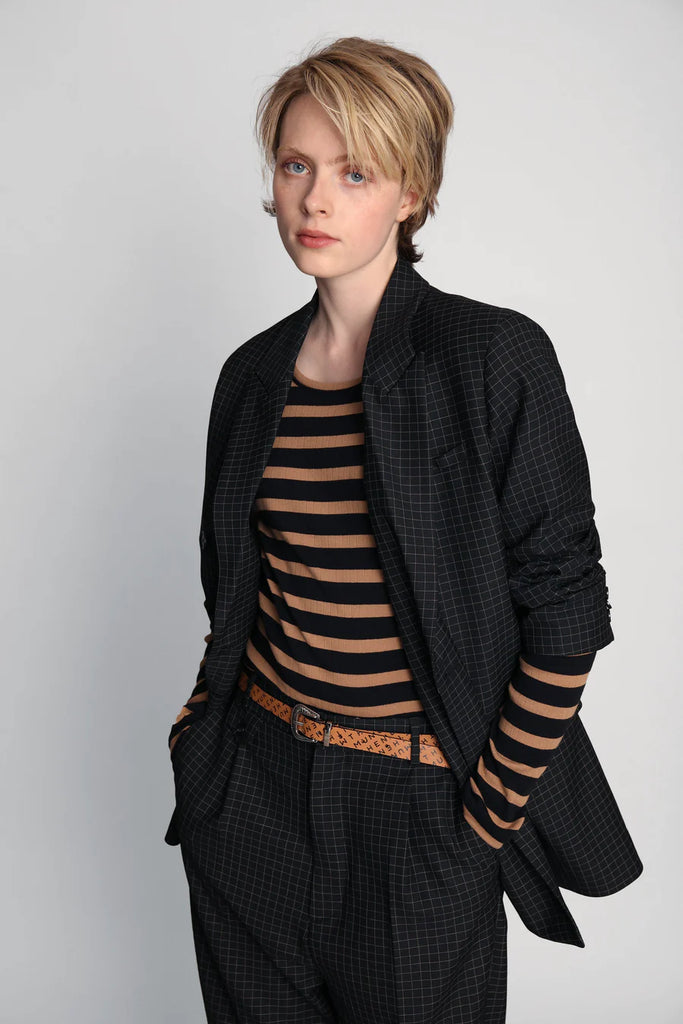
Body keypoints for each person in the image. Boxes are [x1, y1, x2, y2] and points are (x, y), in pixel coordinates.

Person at [164, 35, 640, 1024]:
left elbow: (565, 614)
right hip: (253, 795)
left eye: (354, 173)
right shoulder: (250, 377)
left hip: (418, 811)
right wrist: (201, 741)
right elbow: (232, 591)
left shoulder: (489, 356)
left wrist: (480, 821)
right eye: (294, 166)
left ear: (410, 193)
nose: (315, 200)